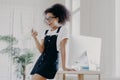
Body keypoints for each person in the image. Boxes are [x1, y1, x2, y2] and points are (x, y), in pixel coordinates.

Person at [30, 3, 75, 80]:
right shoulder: (46, 32)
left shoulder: (63, 30)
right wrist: (35, 38)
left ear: (57, 18)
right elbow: (42, 50)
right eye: (46, 19)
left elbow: (63, 49)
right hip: (41, 62)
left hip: (51, 63)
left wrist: (64, 66)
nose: (48, 21)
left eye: (50, 18)